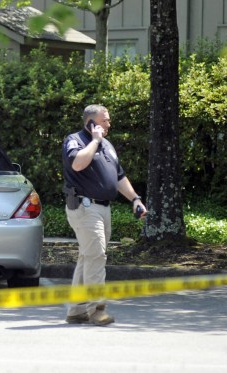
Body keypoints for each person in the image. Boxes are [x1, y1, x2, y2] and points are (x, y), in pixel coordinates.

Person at [62, 104, 147, 325]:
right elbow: (78, 164)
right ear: (91, 123)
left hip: (103, 208)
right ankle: (96, 309)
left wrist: (135, 199)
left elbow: (119, 177)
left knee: (88, 257)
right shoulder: (75, 140)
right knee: (96, 256)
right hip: (85, 207)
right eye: (104, 121)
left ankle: (76, 310)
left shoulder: (108, 145)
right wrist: (95, 140)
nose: (109, 124)